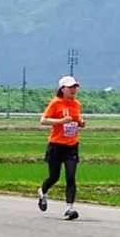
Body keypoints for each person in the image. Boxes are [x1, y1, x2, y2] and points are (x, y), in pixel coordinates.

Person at [37, 75, 84, 219]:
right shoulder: (56, 103)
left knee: (71, 176)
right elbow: (43, 120)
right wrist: (61, 121)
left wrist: (81, 122)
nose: (73, 90)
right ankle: (42, 191)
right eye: (70, 87)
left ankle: (69, 208)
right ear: (62, 89)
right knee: (54, 177)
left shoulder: (77, 104)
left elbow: (76, 119)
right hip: (56, 145)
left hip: (71, 146)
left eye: (75, 87)